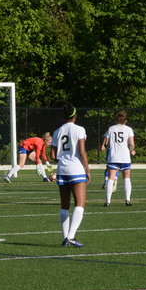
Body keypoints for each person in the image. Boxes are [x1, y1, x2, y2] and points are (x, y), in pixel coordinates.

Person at [51, 104, 90, 248]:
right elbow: (82, 151)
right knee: (80, 204)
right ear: (75, 115)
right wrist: (87, 170)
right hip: (76, 169)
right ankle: (71, 236)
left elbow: (53, 155)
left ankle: (64, 238)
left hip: (62, 169)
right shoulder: (79, 129)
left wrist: (63, 160)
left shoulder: (57, 131)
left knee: (65, 206)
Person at [100, 110, 136, 206]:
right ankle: (128, 200)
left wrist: (104, 145)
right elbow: (131, 143)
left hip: (113, 156)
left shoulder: (111, 128)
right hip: (125, 157)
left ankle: (108, 201)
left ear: (117, 119)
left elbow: (106, 142)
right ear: (125, 120)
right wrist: (132, 150)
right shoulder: (129, 129)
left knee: (110, 178)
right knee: (127, 178)